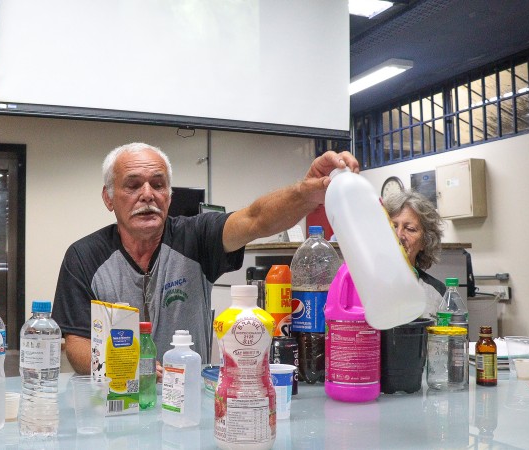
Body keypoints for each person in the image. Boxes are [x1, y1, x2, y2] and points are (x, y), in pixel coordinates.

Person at [52, 142, 359, 375]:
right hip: (115, 397)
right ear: (109, 198)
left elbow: (256, 218)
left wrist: (306, 193)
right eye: (133, 185)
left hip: (187, 398)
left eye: (158, 185)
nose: (147, 194)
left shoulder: (196, 237)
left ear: (169, 196)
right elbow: (78, 345)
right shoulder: (83, 257)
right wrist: (134, 369)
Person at [384, 190, 446, 318]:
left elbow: (452, 336)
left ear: (425, 242)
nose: (399, 235)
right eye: (393, 226)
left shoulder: (437, 292)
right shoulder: (365, 285)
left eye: (410, 229)